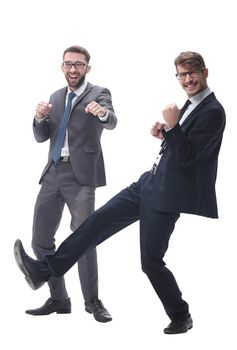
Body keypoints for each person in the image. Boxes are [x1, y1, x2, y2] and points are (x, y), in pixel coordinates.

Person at [14, 51, 225, 334]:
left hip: (167, 197)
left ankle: (180, 315)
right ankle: (43, 271)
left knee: (150, 262)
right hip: (148, 184)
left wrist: (172, 127)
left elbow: (190, 159)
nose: (187, 80)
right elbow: (182, 148)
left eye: (192, 73)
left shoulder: (212, 111)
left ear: (205, 73)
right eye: (182, 75)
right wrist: (167, 134)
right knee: (94, 224)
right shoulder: (191, 104)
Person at [22, 45, 117, 322]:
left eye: (79, 64)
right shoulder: (55, 96)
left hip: (81, 176)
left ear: (88, 67)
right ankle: (59, 298)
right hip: (52, 173)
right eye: (68, 64)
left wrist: (100, 112)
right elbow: (42, 136)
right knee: (40, 239)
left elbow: (111, 121)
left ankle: (93, 301)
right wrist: (39, 118)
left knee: (84, 236)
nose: (73, 69)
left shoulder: (99, 93)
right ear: (62, 67)